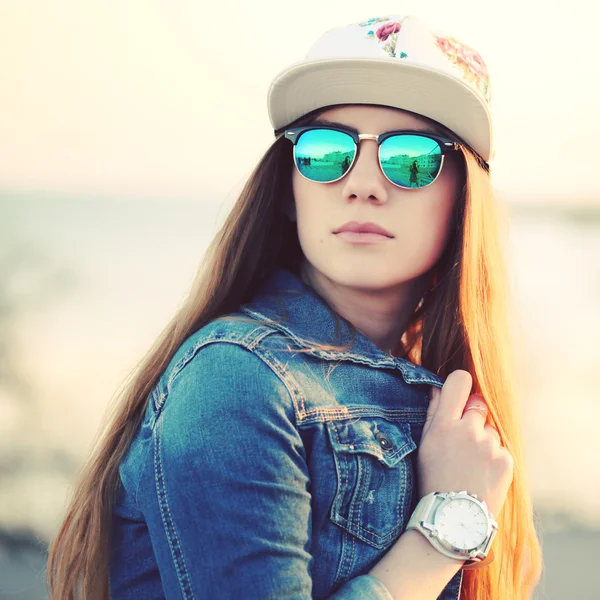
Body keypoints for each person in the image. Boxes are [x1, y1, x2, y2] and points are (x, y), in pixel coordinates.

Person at [46, 14, 543, 600]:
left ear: (464, 199)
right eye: (326, 151)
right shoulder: (236, 378)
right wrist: (443, 534)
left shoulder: (450, 406)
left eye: (412, 157)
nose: (362, 184)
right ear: (288, 187)